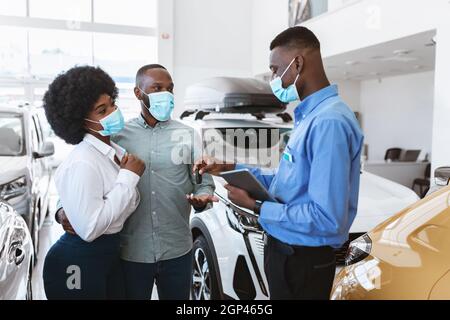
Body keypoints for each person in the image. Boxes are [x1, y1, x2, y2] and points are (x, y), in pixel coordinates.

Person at [193, 26, 364, 300]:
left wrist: (257, 207)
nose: (273, 78)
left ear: (297, 63)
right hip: (286, 251)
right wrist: (230, 168)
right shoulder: (309, 117)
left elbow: (327, 218)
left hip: (303, 261)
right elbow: (288, 183)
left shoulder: (328, 122)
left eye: (275, 69)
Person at [56, 64, 217, 300]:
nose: (166, 94)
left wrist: (202, 199)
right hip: (130, 252)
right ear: (138, 93)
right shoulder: (118, 135)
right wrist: (62, 210)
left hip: (177, 249)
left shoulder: (188, 135)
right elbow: (81, 177)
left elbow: (203, 183)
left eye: (170, 89)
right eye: (157, 88)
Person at [42, 66, 145, 299]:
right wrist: (129, 177)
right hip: (78, 259)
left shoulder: (115, 152)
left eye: (112, 103)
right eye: (102, 110)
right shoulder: (83, 162)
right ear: (81, 121)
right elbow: (90, 229)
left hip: (108, 255)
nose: (113, 111)